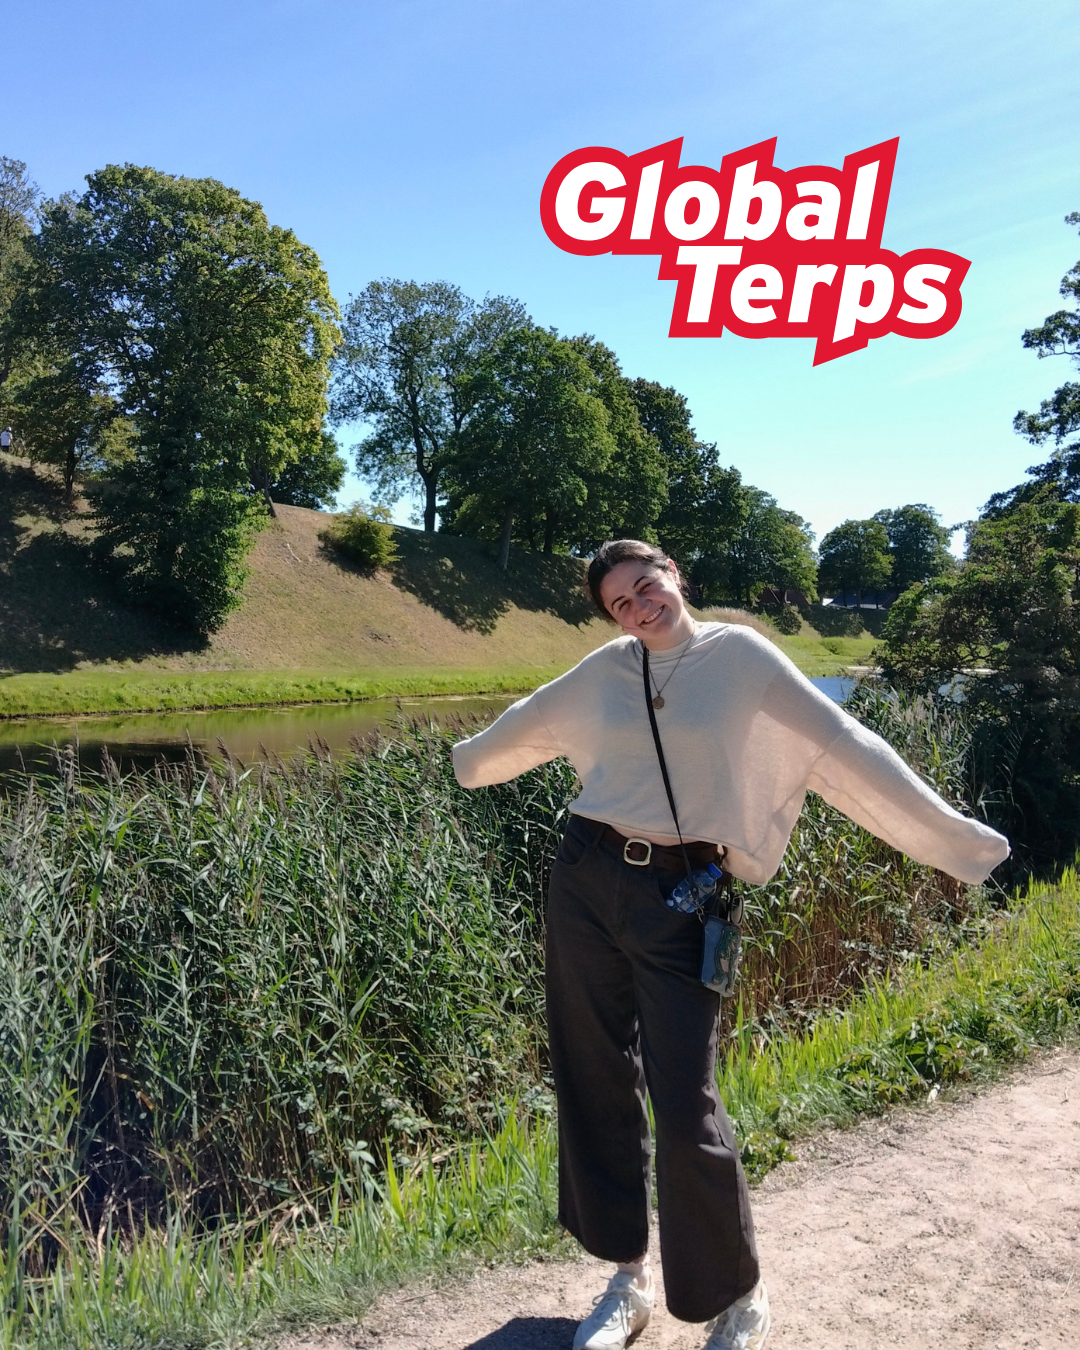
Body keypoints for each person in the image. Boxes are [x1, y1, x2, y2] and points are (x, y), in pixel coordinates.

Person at [451, 539, 1009, 1350]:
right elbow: (526, 723)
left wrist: (953, 841)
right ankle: (626, 1279)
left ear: (675, 574)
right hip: (586, 876)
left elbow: (843, 745)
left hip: (683, 894)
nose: (640, 609)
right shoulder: (607, 669)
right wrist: (469, 761)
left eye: (646, 587)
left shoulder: (741, 655)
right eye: (620, 604)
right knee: (593, 1076)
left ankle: (736, 1295)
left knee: (687, 1102)